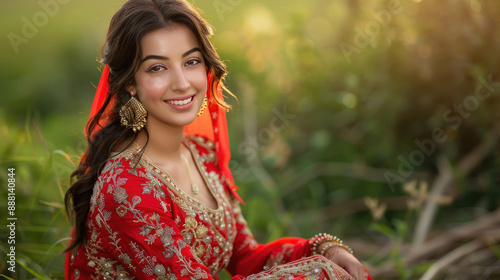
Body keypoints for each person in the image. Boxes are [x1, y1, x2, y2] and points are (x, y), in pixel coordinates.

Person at [64, 0, 373, 279]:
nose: (182, 83)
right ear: (130, 83)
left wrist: (323, 249)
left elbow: (245, 257)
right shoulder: (126, 186)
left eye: (191, 61)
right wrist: (316, 271)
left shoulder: (202, 155)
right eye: (158, 68)